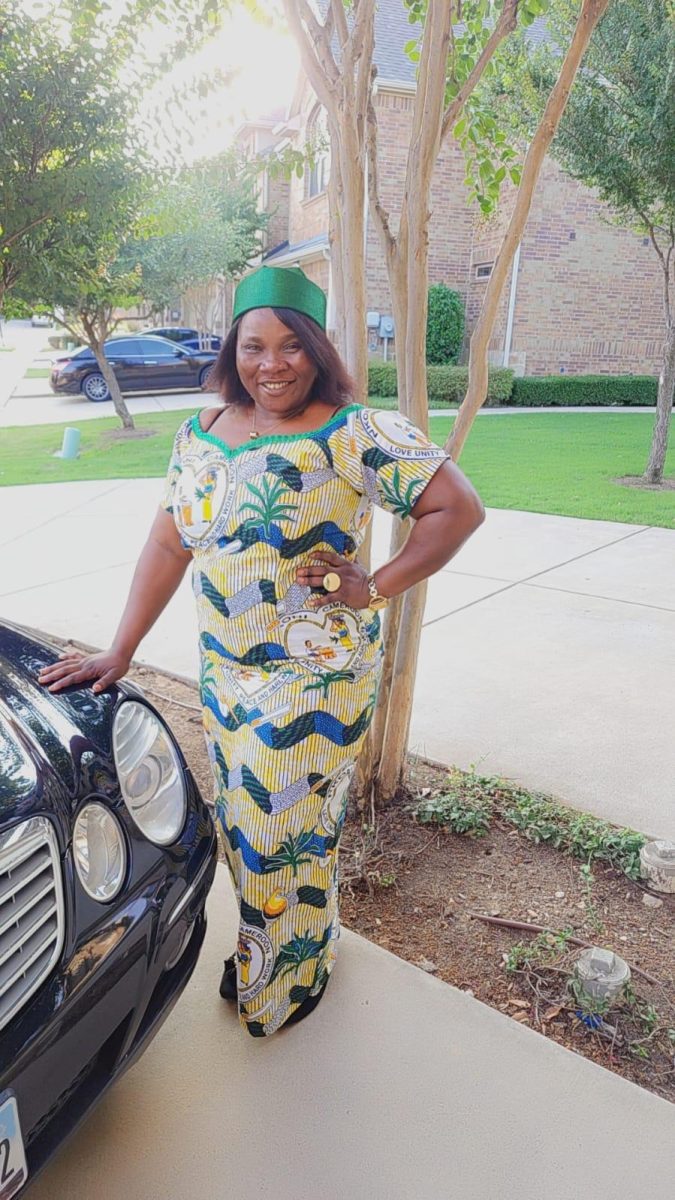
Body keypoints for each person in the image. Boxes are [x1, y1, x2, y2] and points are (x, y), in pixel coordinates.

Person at [38, 265, 485, 1037]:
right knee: (251, 827)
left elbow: (456, 507)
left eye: (290, 346)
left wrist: (374, 587)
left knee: (280, 832)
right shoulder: (201, 433)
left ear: (316, 349)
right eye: (253, 347)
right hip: (226, 673)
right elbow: (168, 543)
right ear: (232, 351)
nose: (271, 364)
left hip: (316, 678)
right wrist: (121, 649)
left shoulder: (352, 433)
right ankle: (281, 945)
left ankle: (284, 983)